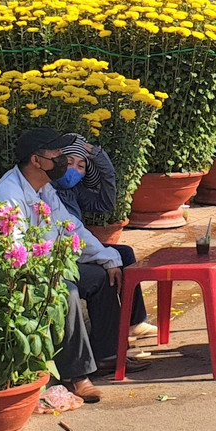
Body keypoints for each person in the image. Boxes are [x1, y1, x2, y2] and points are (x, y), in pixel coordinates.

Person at [0, 127, 139, 404]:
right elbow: (11, 254)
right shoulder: (9, 195)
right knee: (67, 290)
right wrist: (51, 270)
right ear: (37, 161)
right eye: (56, 153)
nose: (62, 158)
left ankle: (107, 354)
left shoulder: (45, 190)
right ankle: (77, 376)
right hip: (17, 276)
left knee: (101, 276)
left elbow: (70, 228)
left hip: (47, 264)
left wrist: (107, 257)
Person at [52, 135, 155, 341]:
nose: (74, 170)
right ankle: (109, 339)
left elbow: (106, 204)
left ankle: (134, 322)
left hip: (78, 246)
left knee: (125, 253)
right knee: (104, 271)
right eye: (69, 162)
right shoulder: (48, 191)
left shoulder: (74, 191)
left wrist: (101, 159)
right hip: (62, 251)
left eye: (81, 166)